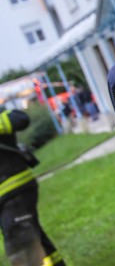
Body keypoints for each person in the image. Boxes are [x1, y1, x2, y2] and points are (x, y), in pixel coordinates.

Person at [0, 108, 65, 265]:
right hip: (9, 198)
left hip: (13, 193)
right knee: (35, 242)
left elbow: (19, 118)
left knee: (23, 250)